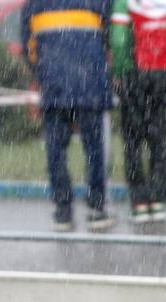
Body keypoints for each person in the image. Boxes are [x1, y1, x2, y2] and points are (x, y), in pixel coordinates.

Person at [21, 0, 116, 232]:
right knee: (94, 149)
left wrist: (44, 73)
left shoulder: (34, 4)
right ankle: (96, 208)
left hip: (55, 86)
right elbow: (110, 38)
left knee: (56, 150)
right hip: (91, 84)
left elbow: (29, 49)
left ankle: (63, 211)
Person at [109, 0, 166, 225]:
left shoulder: (123, 2)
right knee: (157, 138)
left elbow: (118, 40)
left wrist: (120, 70)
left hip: (135, 73)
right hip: (161, 71)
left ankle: (139, 202)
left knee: (133, 140)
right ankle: (158, 200)